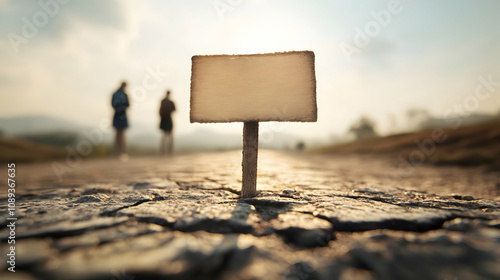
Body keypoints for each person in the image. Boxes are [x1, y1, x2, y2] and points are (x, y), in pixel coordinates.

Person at [111, 81, 130, 159]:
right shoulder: (124, 95)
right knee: (121, 133)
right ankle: (121, 152)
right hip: (122, 114)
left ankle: (118, 152)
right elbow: (128, 104)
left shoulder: (115, 94)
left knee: (118, 133)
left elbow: (112, 104)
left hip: (117, 114)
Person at [159, 90, 176, 155]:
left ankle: (165, 151)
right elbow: (174, 110)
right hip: (168, 119)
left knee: (165, 135)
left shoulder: (163, 101)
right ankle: (169, 151)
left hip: (164, 119)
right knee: (169, 135)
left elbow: (159, 110)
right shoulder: (170, 102)